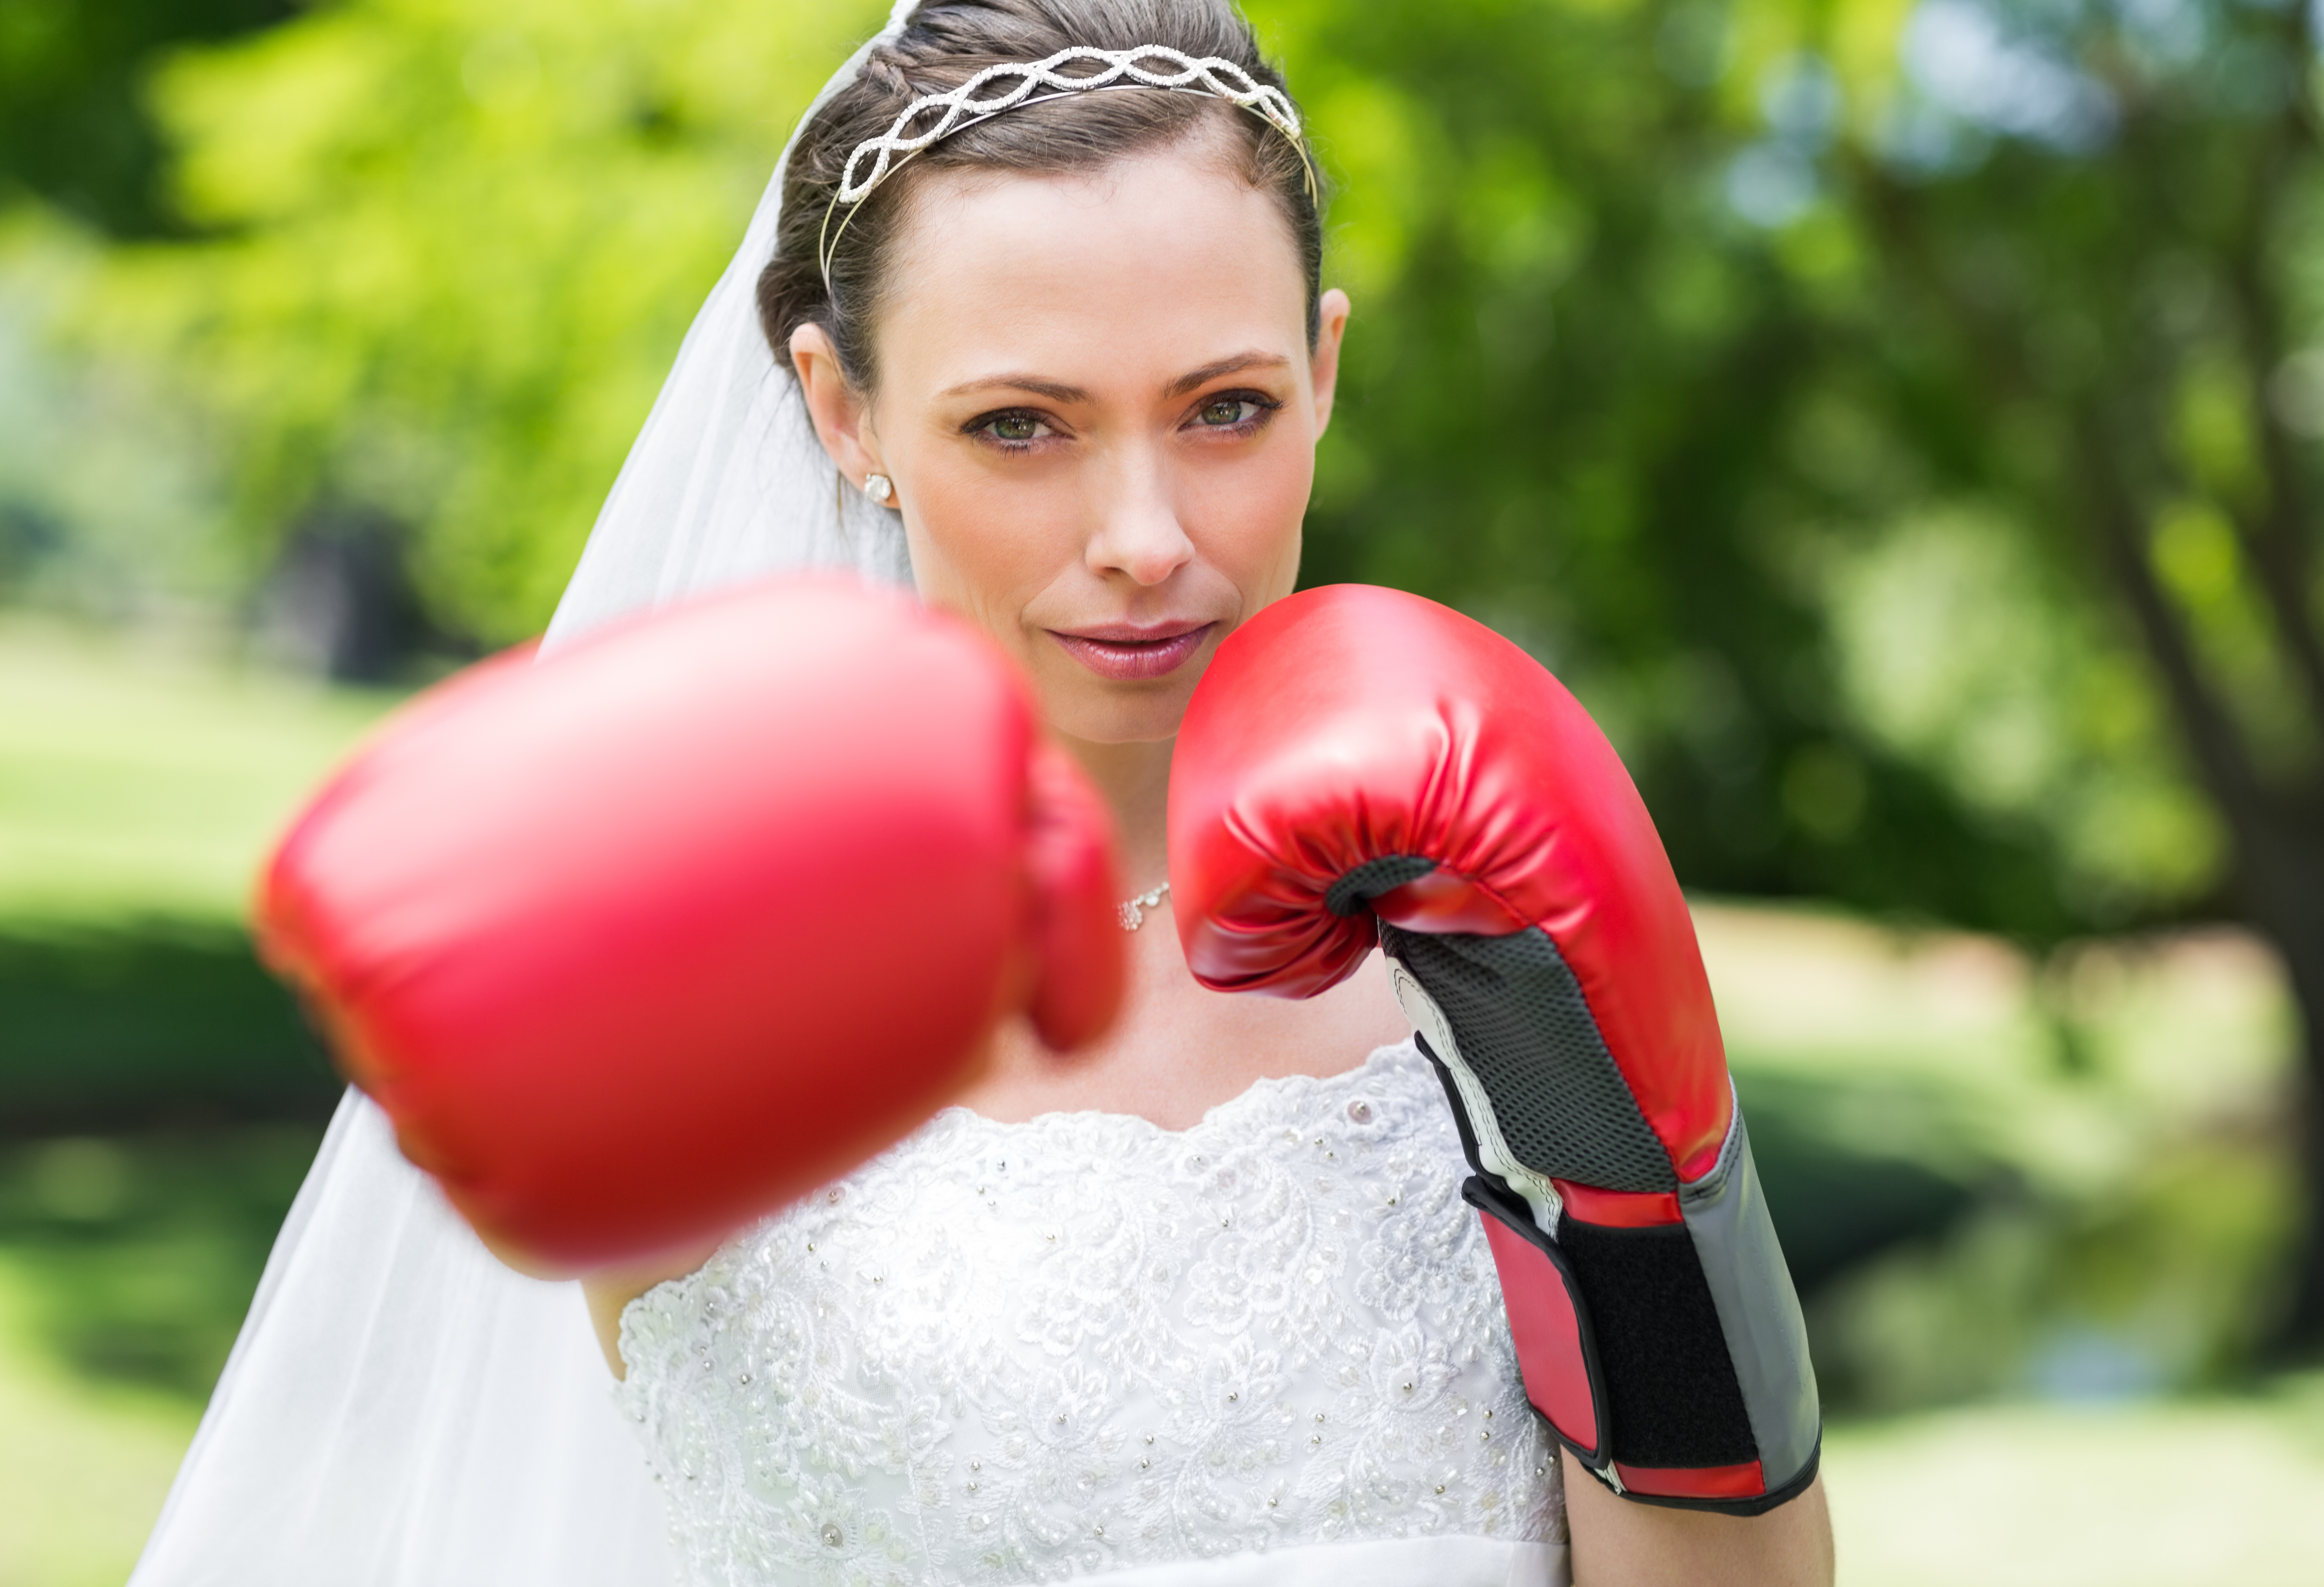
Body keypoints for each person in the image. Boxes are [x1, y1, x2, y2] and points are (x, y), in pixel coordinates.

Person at [132, 2, 1834, 1584]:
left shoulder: (1498, 919)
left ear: (1324, 369)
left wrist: (1633, 1165)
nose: (1147, 537)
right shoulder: (703, 978)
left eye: (1226, 408)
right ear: (840, 408)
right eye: (1022, 427)